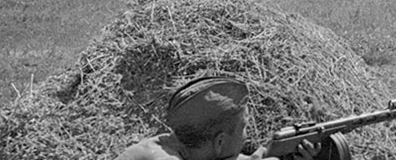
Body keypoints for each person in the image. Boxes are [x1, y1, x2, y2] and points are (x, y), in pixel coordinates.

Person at [113, 75, 318, 160]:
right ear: (220, 141)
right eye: (244, 128)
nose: (247, 137)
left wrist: (269, 151)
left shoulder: (176, 142)